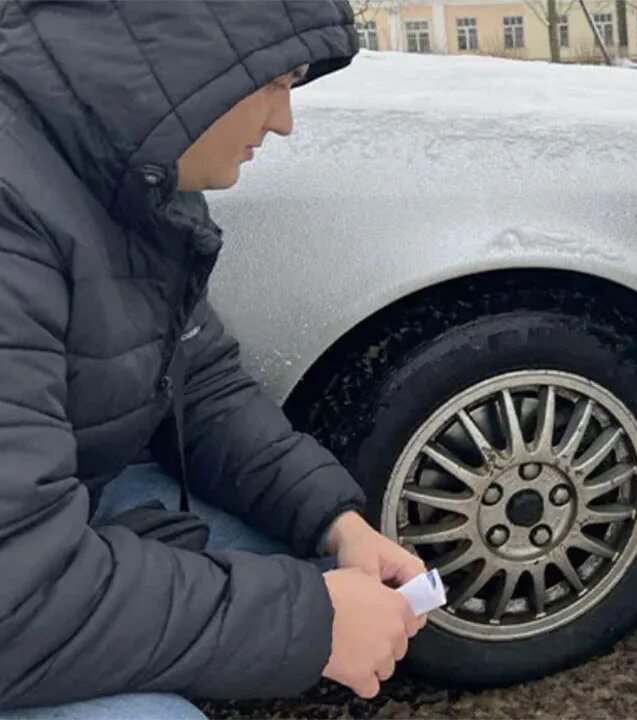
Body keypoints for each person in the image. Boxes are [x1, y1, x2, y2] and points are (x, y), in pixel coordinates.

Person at [0, 2, 430, 718]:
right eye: (277, 82)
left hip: (55, 513)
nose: (284, 121)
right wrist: (311, 622)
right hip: (20, 587)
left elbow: (199, 381)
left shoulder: (127, 180)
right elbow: (16, 595)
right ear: (185, 67)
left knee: (316, 569)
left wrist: (332, 519)